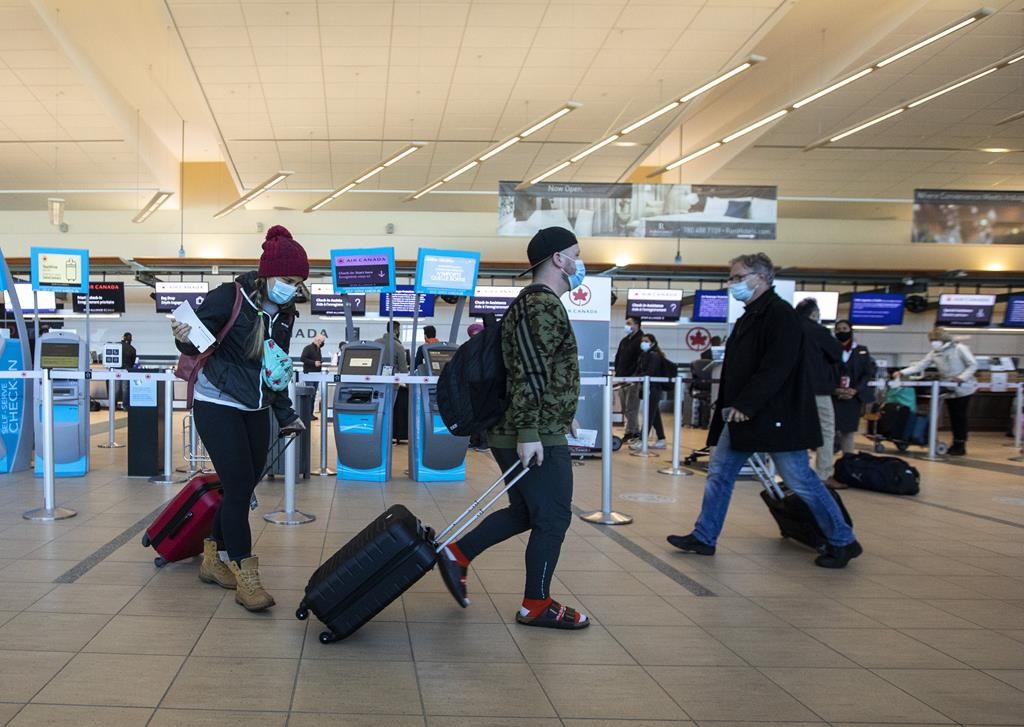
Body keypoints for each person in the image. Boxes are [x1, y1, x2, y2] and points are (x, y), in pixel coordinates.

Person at [666, 252, 861, 569]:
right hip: (743, 416)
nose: (732, 283)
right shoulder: (750, 315)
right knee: (719, 474)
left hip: (774, 417)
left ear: (760, 277)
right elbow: (735, 372)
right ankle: (704, 537)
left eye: (737, 277)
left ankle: (843, 540)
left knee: (801, 480)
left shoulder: (780, 315)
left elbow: (777, 367)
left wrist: (746, 404)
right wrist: (725, 416)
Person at [437, 226, 590, 629]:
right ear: (559, 259)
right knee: (554, 517)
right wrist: (530, 433)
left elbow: (542, 369)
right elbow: (529, 372)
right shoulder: (541, 305)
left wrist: (564, 413)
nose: (580, 261)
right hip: (531, 430)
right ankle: (536, 605)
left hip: (537, 424)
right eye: (576, 253)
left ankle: (458, 554)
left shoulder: (535, 304)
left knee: (526, 511)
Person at [170, 225, 308, 611]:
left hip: (256, 407)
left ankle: (213, 560)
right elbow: (193, 338)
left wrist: (285, 414)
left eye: (297, 282)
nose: (291, 287)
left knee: (241, 489)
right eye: (286, 279)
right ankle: (247, 577)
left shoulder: (286, 313)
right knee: (237, 484)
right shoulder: (229, 297)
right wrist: (182, 336)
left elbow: (275, 367)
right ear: (267, 274)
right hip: (218, 404)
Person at [895, 327, 977, 456]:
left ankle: (960, 444)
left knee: (960, 417)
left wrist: (961, 378)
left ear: (943, 339)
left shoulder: (960, 348)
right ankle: (956, 443)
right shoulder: (934, 352)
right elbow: (921, 365)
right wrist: (902, 372)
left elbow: (973, 365)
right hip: (948, 387)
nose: (933, 342)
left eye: (935, 340)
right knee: (953, 417)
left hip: (964, 388)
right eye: (932, 340)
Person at [794, 298, 843, 483]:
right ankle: (824, 472)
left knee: (797, 431)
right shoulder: (818, 330)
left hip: (792, 390)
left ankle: (797, 471)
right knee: (825, 430)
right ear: (814, 314)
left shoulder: (788, 328)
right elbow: (836, 354)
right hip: (817, 389)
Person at [831, 320, 876, 474]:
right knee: (830, 431)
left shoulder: (861, 351)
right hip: (834, 396)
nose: (841, 331)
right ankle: (826, 469)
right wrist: (835, 390)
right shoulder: (829, 349)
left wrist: (855, 390)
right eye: (838, 329)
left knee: (848, 432)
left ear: (851, 330)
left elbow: (867, 374)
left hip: (853, 397)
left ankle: (847, 465)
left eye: (844, 328)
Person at [630, 333, 668, 450]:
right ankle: (661, 438)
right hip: (647, 388)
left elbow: (650, 372)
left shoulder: (654, 356)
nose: (643, 343)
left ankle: (643, 440)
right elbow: (639, 370)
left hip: (654, 388)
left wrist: (638, 377)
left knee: (649, 414)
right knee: (654, 414)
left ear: (652, 343)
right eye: (643, 341)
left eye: (646, 341)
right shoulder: (644, 355)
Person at [614, 316, 644, 442]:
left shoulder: (641, 340)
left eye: (629, 323)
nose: (626, 325)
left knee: (632, 406)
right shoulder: (625, 340)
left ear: (636, 325)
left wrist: (635, 375)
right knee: (625, 407)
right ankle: (633, 430)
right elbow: (618, 357)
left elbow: (640, 360)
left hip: (633, 378)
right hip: (622, 377)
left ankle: (631, 432)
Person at [465, 322, 489, 452]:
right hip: (473, 384)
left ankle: (484, 442)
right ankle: (474, 440)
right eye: (472, 335)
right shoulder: (470, 347)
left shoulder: (488, 347)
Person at [300, 334, 326, 420]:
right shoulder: (308, 348)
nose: (323, 343)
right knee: (309, 395)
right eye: (322, 342)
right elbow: (302, 359)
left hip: (316, 375)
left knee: (314, 395)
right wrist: (313, 363)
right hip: (309, 375)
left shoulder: (318, 349)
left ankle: (310, 414)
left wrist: (319, 362)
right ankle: (307, 414)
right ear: (318, 340)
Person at [116, 332, 137, 409]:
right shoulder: (132, 349)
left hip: (115, 369)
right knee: (125, 389)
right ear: (130, 339)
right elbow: (133, 362)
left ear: (123, 337)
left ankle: (113, 405)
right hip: (126, 370)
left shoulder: (116, 346)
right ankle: (125, 406)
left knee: (115, 388)